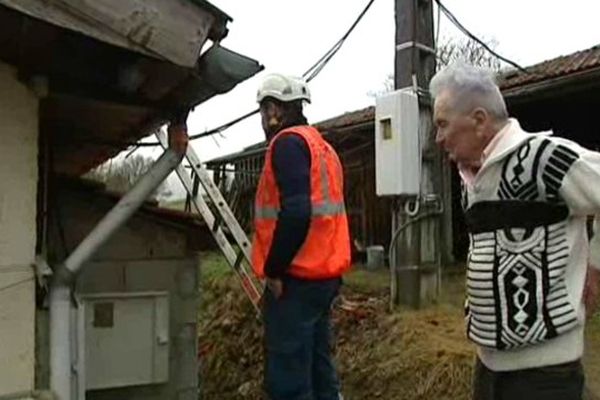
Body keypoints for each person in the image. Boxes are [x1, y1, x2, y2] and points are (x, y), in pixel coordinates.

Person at [430, 63, 600, 400]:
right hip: (489, 367)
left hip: (545, 374)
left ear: (479, 121)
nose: (438, 139)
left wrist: (597, 264)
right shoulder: (472, 178)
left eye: (442, 125)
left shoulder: (543, 158)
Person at [251, 73, 351, 400]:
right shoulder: (322, 148)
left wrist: (275, 269)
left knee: (290, 381)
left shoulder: (287, 145)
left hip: (296, 279)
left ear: (293, 108)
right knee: (319, 368)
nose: (268, 117)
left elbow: (296, 213)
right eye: (264, 109)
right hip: (324, 277)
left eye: (274, 107)